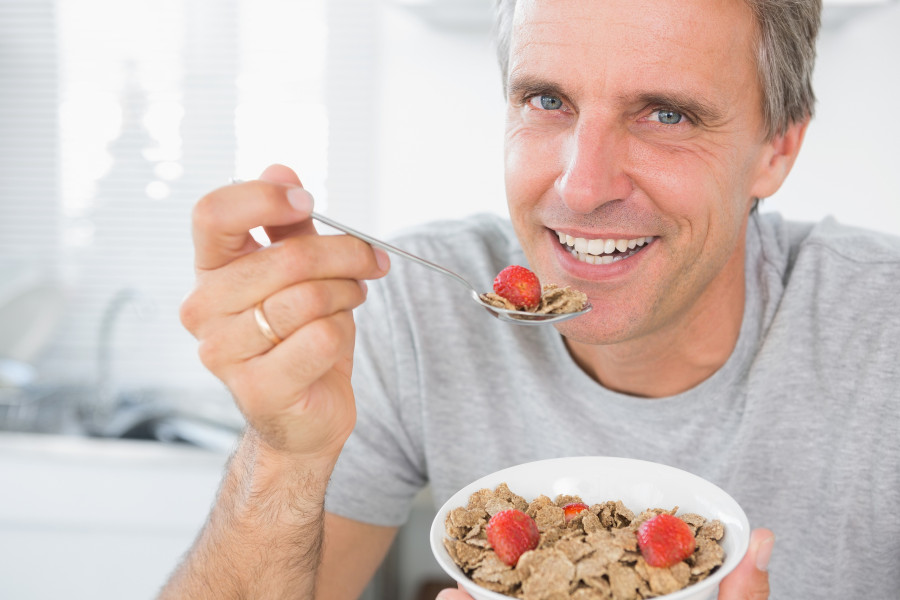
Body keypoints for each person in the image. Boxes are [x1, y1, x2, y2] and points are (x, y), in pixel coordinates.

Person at [160, 0, 900, 598]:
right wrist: (285, 455)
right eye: (547, 100)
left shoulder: (883, 331)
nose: (583, 185)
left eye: (666, 114)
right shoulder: (406, 306)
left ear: (777, 150)